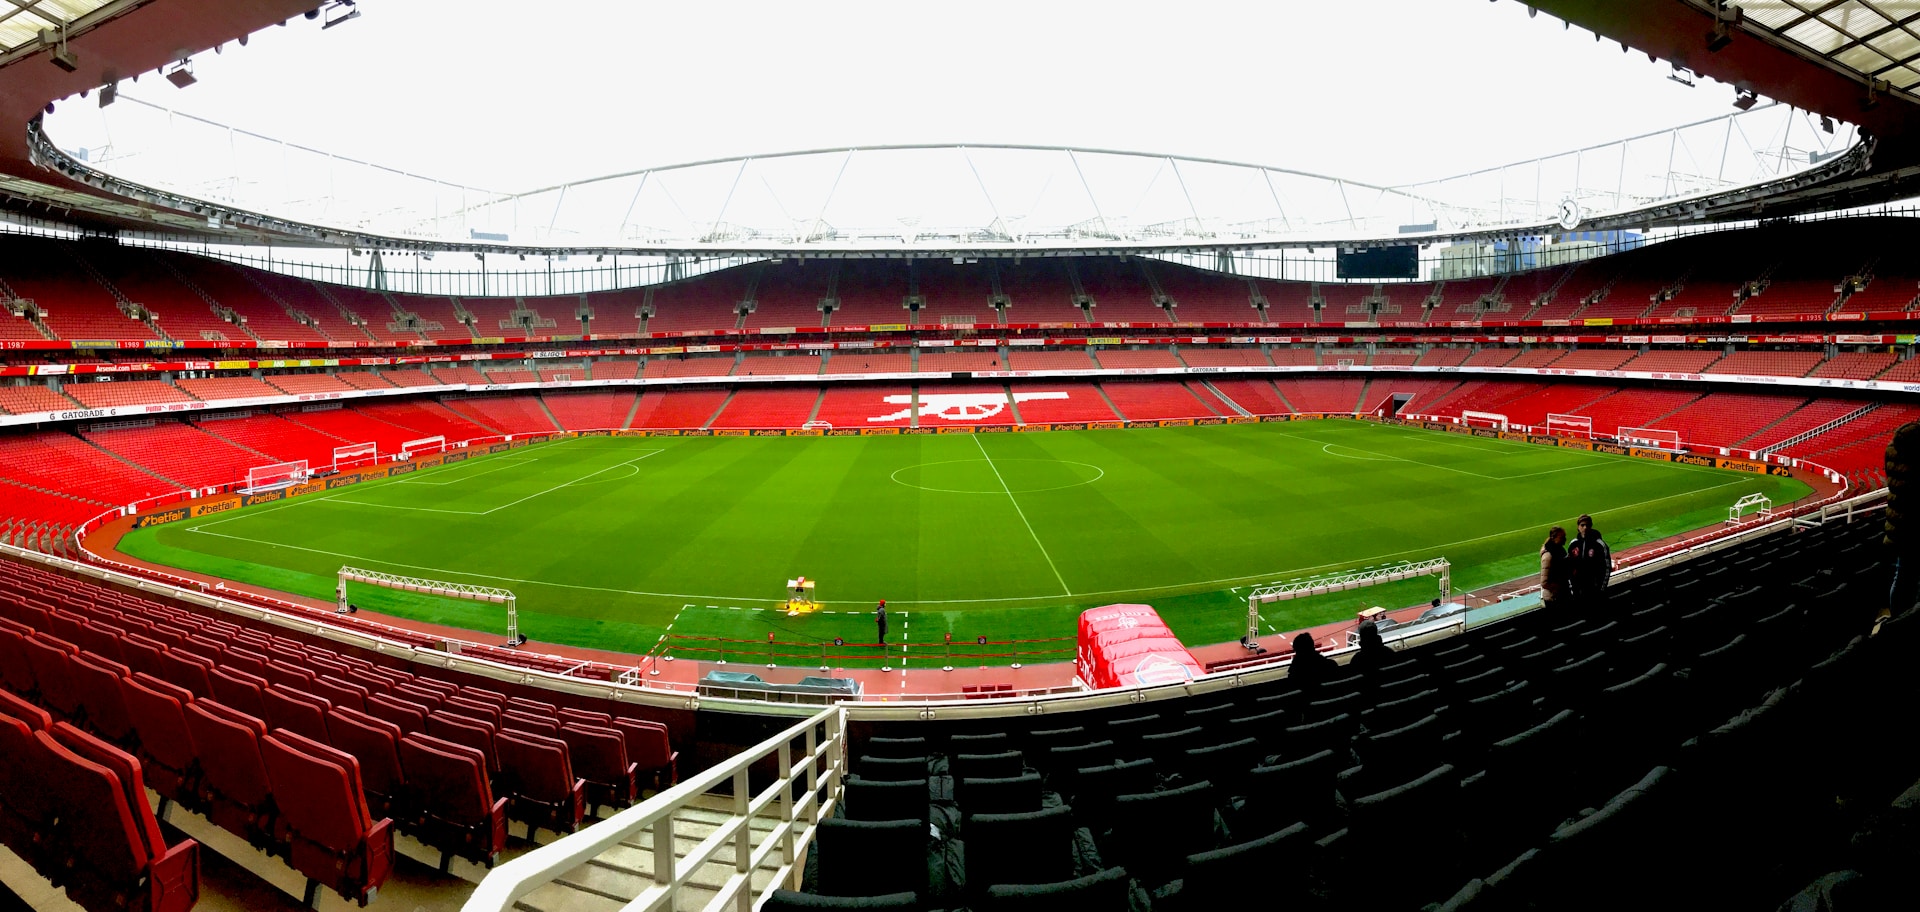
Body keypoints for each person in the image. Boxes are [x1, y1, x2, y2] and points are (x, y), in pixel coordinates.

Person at [1567, 514, 1612, 608]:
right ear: (1578, 527)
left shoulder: (1600, 544)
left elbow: (1607, 568)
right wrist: (1573, 587)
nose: (1585, 527)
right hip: (1578, 591)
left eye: (1588, 525)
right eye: (1582, 525)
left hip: (1595, 591)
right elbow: (1569, 567)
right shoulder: (1573, 544)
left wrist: (1601, 588)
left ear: (1591, 526)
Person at [1539, 526, 1569, 608]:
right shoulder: (1548, 556)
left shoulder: (1560, 550)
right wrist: (1558, 587)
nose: (1564, 539)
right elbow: (1544, 582)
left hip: (1561, 594)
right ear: (1554, 538)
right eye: (1562, 537)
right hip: (1553, 597)